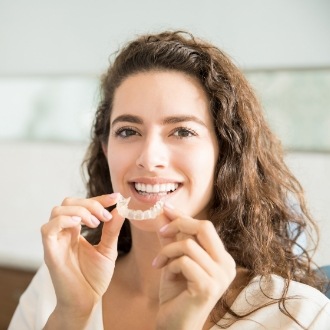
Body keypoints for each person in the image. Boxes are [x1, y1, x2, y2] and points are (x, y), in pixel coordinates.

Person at [9, 30, 330, 329]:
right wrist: (70, 315)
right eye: (128, 131)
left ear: (226, 151)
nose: (149, 157)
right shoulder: (57, 287)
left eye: (182, 131)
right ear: (106, 149)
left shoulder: (299, 316)